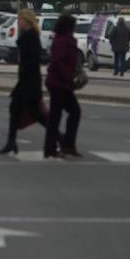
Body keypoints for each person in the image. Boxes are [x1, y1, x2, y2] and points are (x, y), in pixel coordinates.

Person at [0, 9, 47, 155]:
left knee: (37, 114)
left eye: (20, 19)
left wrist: (24, 72)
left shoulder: (31, 36)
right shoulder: (29, 35)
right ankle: (11, 142)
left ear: (26, 20)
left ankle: (61, 138)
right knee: (15, 109)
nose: (18, 22)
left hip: (29, 80)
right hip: (26, 79)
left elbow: (33, 58)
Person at [44, 12, 83, 159]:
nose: (75, 28)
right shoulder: (62, 41)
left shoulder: (67, 40)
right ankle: (59, 147)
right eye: (74, 25)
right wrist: (68, 77)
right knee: (64, 114)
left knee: (64, 114)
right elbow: (58, 62)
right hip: (58, 83)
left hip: (61, 83)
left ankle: (64, 146)